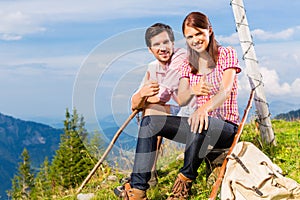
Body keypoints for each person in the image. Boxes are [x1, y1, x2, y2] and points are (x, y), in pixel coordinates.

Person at [117, 11, 241, 200]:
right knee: (150, 122)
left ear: (209, 30)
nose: (195, 40)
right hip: (197, 126)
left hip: (225, 128)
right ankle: (138, 190)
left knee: (200, 120)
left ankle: (182, 187)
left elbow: (225, 91)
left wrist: (203, 108)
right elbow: (182, 99)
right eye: (190, 37)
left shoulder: (226, 53)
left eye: (199, 33)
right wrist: (193, 89)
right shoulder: (188, 63)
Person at [128, 23, 195, 187]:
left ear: (173, 43)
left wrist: (149, 98)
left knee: (152, 111)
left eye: (166, 42)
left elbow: (162, 94)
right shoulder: (154, 68)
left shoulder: (181, 58)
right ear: (150, 50)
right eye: (156, 44)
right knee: (151, 111)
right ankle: (148, 173)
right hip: (182, 114)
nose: (163, 48)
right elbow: (134, 104)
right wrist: (142, 94)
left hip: (197, 116)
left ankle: (141, 178)